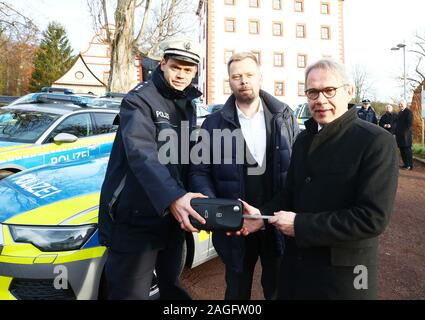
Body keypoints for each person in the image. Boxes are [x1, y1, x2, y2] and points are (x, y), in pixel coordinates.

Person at [242, 58, 399, 299]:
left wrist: (300, 225)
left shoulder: (376, 141)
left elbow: (372, 218)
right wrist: (261, 217)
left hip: (344, 277)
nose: (320, 100)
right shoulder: (303, 139)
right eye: (312, 92)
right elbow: (290, 194)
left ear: (349, 91)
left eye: (329, 90)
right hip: (296, 270)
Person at [97, 37, 207, 300]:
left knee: (170, 285)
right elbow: (142, 154)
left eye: (188, 70)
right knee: (129, 294)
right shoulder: (139, 99)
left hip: (172, 220)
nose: (181, 74)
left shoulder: (187, 104)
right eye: (175, 67)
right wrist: (173, 197)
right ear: (162, 65)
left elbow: (185, 158)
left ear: (194, 73)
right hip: (135, 219)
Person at [189, 52, 299, 300]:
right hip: (234, 226)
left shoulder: (285, 117)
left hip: (275, 221)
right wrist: (218, 211)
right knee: (236, 292)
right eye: (236, 76)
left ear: (260, 76)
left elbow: (297, 170)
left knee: (279, 290)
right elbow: (199, 171)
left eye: (249, 75)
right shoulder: (213, 124)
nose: (243, 81)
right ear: (229, 81)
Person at [395, 99, 414, 170]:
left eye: (401, 104)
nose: (400, 105)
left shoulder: (408, 112)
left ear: (405, 104)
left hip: (406, 136)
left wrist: (403, 132)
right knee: (402, 150)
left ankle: (409, 165)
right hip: (399, 136)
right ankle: (405, 164)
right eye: (399, 104)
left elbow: (409, 124)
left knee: (407, 151)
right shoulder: (399, 113)